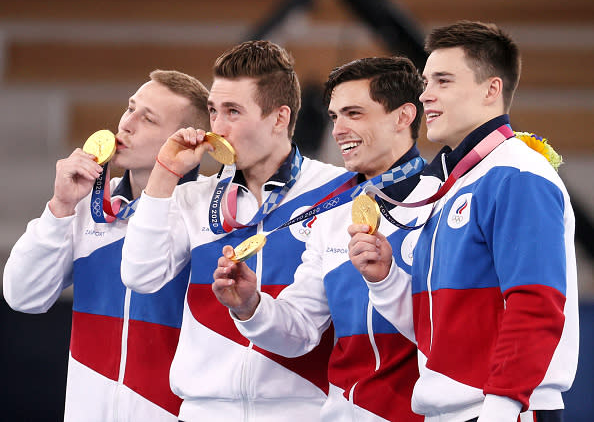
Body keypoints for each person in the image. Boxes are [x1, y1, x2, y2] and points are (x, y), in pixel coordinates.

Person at [348, 21, 579, 421]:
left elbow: (536, 303)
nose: (426, 95)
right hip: (455, 410)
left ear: (492, 89)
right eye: (425, 82)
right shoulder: (455, 186)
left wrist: (501, 409)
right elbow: (437, 333)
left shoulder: (517, 173)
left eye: (443, 81)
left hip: (505, 408)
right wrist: (385, 279)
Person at [120, 40, 353, 421]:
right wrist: (164, 177)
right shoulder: (193, 198)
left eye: (233, 112)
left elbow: (314, 325)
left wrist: (250, 306)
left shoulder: (336, 192)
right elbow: (139, 275)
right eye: (213, 111)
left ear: (279, 118)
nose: (217, 128)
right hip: (204, 411)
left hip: (300, 410)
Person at [212, 56, 427, 421]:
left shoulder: (443, 201)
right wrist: (251, 306)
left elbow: (460, 326)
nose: (339, 130)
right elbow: (301, 330)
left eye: (354, 114)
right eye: (334, 116)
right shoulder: (332, 212)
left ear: (403, 116)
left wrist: (389, 279)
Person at [3, 70, 210, 421]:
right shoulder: (86, 205)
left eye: (148, 119)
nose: (126, 124)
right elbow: (23, 295)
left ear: (184, 142)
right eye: (130, 108)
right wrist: (60, 207)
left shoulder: (207, 215)